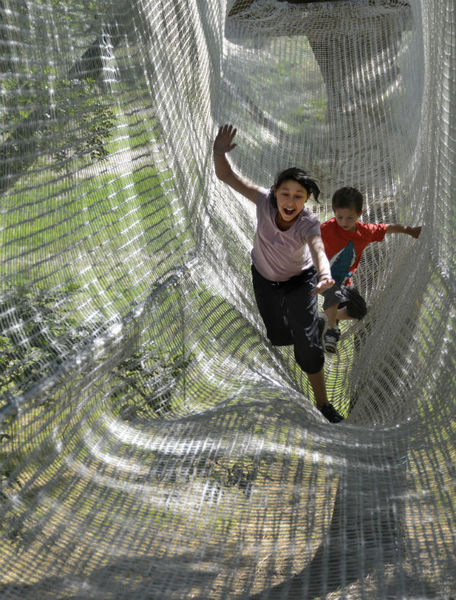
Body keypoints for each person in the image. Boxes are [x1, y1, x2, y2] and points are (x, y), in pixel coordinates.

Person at [213, 124, 343, 423]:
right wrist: (219, 152)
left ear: (307, 199)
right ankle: (315, 326)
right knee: (280, 337)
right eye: (285, 193)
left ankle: (323, 404)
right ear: (275, 193)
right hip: (265, 280)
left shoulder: (308, 223)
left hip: (301, 282)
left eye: (298, 196)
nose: (290, 201)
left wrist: (324, 275)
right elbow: (227, 176)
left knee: (307, 348)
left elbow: (318, 249)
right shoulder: (263, 200)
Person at [320, 186, 422, 353]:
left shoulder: (364, 232)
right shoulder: (327, 228)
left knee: (359, 311)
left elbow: (386, 228)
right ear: (334, 213)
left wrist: (410, 231)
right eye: (340, 217)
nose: (344, 222)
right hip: (322, 276)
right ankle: (331, 331)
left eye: (349, 218)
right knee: (334, 294)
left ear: (360, 214)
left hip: (345, 281)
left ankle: (326, 318)